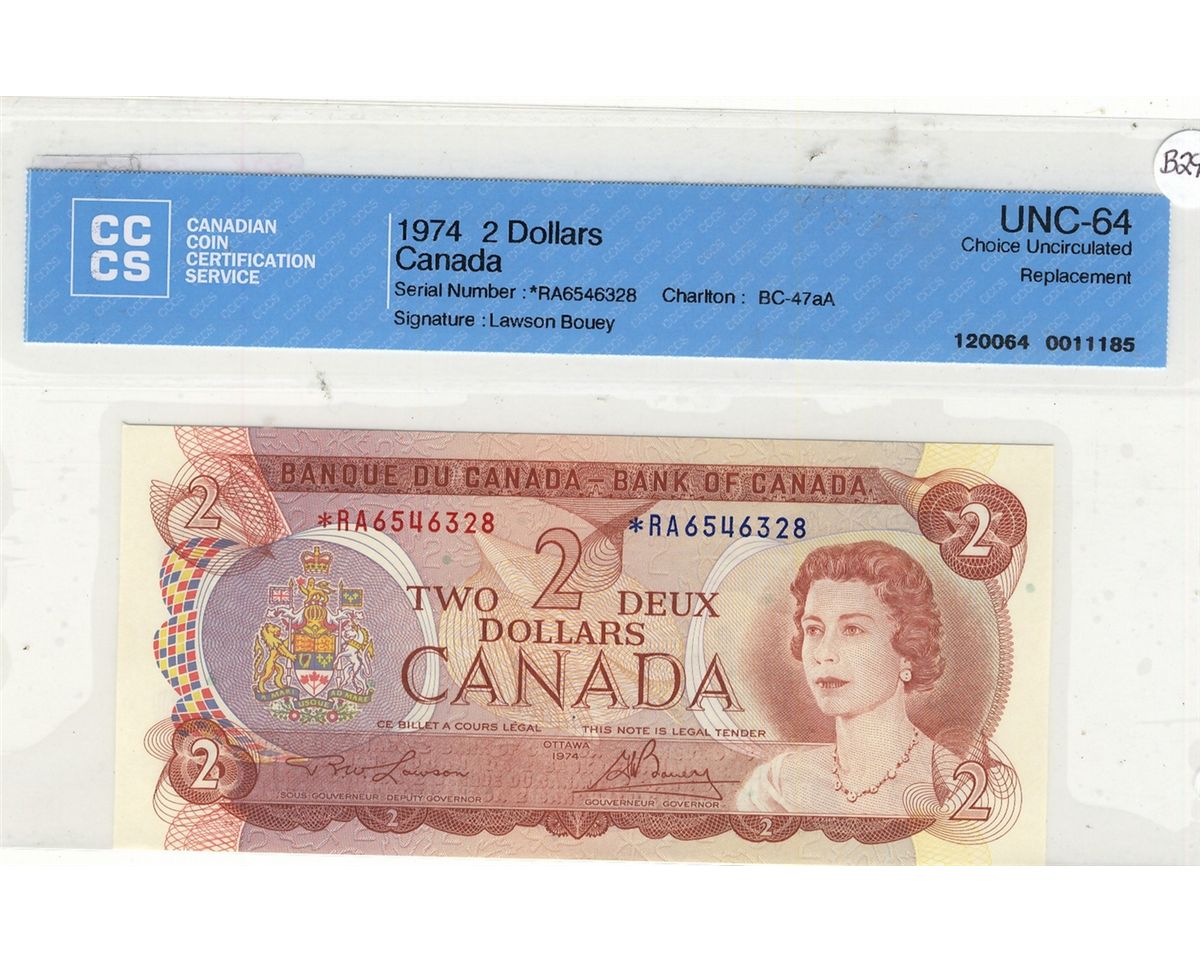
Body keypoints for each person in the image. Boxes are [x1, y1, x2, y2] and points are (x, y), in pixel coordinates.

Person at [737, 540, 946, 816]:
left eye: (852, 629)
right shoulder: (778, 786)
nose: (824, 653)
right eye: (814, 630)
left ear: (908, 650)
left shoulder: (952, 785)